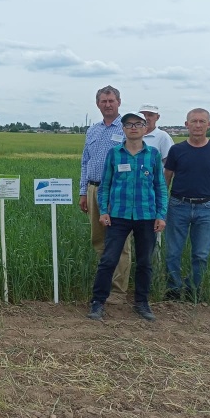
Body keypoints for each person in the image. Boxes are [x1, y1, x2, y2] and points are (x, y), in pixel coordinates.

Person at [88, 112, 168, 322]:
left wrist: (161, 215)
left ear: (145, 128)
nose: (133, 127)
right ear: (123, 129)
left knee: (144, 262)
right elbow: (105, 186)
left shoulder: (153, 155)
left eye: (138, 124)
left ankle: (142, 303)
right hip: (118, 216)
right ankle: (98, 302)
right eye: (129, 124)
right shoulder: (114, 154)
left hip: (146, 215)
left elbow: (160, 186)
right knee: (108, 260)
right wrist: (103, 211)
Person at [164, 108, 210, 301]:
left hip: (206, 208)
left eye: (202, 121)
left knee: (201, 254)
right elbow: (166, 178)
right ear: (186, 125)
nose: (198, 125)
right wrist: (161, 208)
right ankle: (174, 290)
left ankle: (193, 289)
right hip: (178, 205)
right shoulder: (176, 150)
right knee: (173, 252)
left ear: (209, 125)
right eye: (194, 121)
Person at [79, 85, 131, 302]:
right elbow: (85, 161)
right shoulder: (93, 130)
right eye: (103, 101)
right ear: (97, 104)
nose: (107, 104)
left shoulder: (127, 128)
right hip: (93, 189)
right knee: (99, 239)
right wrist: (83, 192)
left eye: (111, 100)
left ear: (119, 102)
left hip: (117, 191)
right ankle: (105, 283)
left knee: (121, 241)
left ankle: (119, 292)